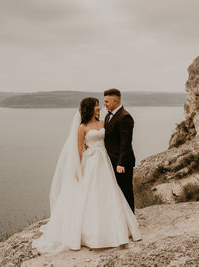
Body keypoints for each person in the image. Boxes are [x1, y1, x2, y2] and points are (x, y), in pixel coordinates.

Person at [32, 96, 141, 255]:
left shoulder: (102, 123)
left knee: (108, 193)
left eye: (99, 105)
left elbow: (110, 140)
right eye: (97, 105)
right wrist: (78, 169)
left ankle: (114, 228)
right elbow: (78, 151)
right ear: (90, 108)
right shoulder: (82, 127)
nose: (99, 107)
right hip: (90, 162)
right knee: (89, 194)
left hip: (104, 161)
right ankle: (90, 233)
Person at [103, 88, 136, 213]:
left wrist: (121, 163)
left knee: (126, 190)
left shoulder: (125, 117)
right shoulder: (108, 115)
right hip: (111, 161)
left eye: (106, 101)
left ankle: (131, 220)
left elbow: (126, 143)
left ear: (115, 101)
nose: (104, 104)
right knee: (115, 191)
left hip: (122, 163)